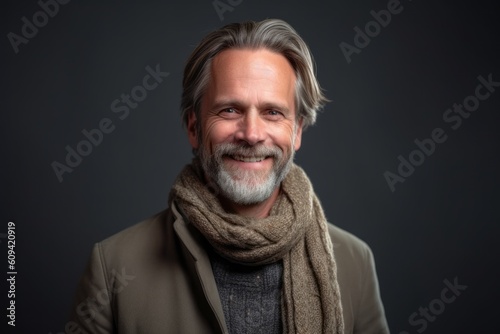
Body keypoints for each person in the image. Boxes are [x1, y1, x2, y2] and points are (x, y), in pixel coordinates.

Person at [69, 18, 389, 334]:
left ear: (298, 132)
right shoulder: (114, 266)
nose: (251, 134)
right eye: (230, 110)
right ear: (194, 128)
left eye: (272, 112)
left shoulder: (354, 263)